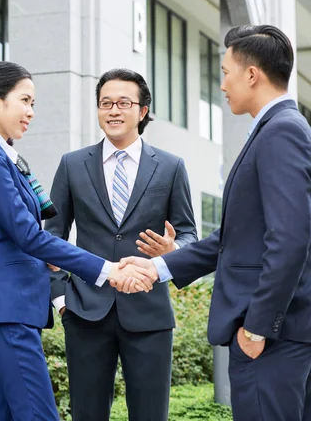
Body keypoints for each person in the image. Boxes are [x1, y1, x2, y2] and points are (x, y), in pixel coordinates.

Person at [119, 26, 311, 421]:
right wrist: (159, 266)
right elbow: (234, 239)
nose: (222, 84)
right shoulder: (276, 130)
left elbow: (291, 239)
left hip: (272, 339)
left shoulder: (282, 132)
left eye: (226, 73)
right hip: (282, 336)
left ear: (252, 74)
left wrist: (257, 328)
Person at [0, 61, 156, 421]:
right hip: (7, 310)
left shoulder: (1, 155)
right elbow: (28, 235)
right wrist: (106, 269)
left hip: (12, 310)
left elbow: (19, 237)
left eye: (34, 103)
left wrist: (50, 260)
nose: (31, 112)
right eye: (25, 101)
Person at [46, 68, 198, 421]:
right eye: (105, 103)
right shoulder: (72, 165)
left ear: (142, 111)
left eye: (123, 103)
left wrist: (172, 252)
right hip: (84, 312)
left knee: (149, 415)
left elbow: (188, 234)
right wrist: (61, 299)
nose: (113, 111)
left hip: (149, 313)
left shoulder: (171, 167)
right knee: (87, 413)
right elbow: (50, 235)